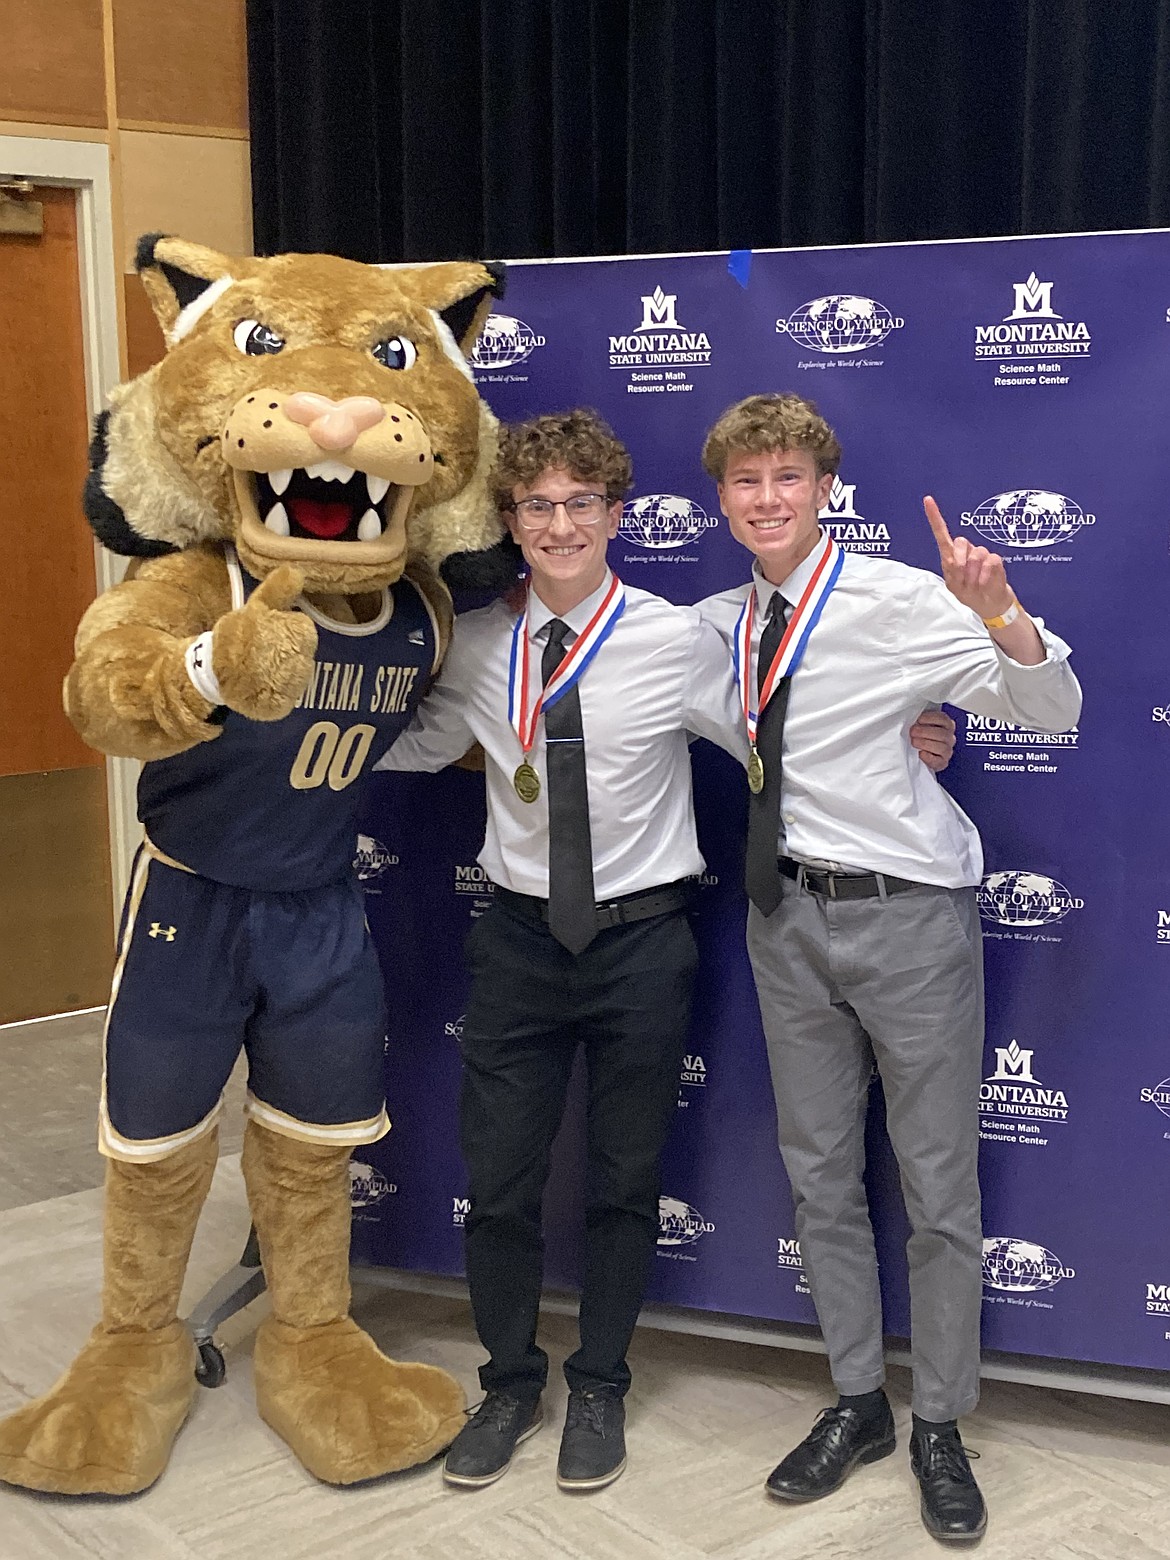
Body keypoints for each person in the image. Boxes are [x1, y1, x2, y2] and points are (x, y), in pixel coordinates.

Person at [376, 408, 955, 1493]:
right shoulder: (478, 642)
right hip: (516, 940)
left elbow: (785, 721)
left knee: (622, 1182)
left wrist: (919, 724)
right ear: (510, 517)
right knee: (498, 1183)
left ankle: (599, 1383)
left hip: (643, 945)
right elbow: (420, 743)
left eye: (580, 505)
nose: (558, 526)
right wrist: (298, 726)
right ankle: (507, 1383)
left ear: (617, 516)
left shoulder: (679, 635)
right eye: (537, 506)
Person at [696, 393, 1081, 1546]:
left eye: (787, 478)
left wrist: (1003, 612)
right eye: (745, 482)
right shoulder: (714, 623)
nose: (767, 500)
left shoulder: (905, 599)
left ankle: (941, 1426)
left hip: (910, 921)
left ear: (825, 489)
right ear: (721, 502)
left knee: (936, 1188)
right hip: (784, 919)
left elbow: (1050, 708)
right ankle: (859, 1402)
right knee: (818, 1174)